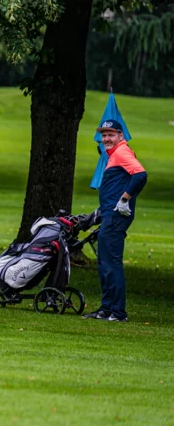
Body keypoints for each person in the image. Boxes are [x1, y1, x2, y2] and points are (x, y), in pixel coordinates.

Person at [82, 121, 147, 322]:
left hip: (116, 216)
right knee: (105, 263)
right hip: (110, 215)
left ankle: (117, 313)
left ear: (120, 135)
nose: (106, 139)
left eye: (110, 135)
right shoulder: (114, 154)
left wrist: (125, 199)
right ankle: (106, 309)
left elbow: (140, 175)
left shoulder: (122, 152)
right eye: (104, 135)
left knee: (111, 264)